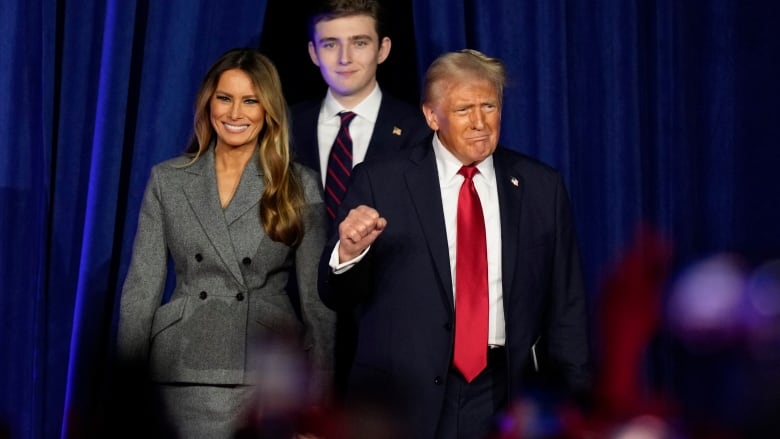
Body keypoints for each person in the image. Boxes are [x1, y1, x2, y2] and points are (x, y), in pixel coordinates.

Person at [319, 49, 591, 438]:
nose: (480, 122)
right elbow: (335, 296)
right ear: (432, 116)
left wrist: (576, 402)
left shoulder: (540, 186)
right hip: (403, 399)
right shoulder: (382, 181)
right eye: (464, 109)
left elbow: (568, 304)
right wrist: (348, 253)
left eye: (489, 106)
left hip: (505, 394)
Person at [117, 48, 335, 439]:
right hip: (181, 369)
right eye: (225, 98)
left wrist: (317, 401)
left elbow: (318, 304)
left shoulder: (298, 184)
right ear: (208, 102)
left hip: (267, 375)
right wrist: (125, 395)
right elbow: (141, 292)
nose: (235, 114)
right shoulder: (168, 179)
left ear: (268, 110)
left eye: (250, 101)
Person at [290, 0, 430, 399]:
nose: (346, 57)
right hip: (300, 337)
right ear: (313, 53)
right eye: (331, 44)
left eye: (360, 42)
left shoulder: (420, 130)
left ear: (383, 49)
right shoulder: (282, 127)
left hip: (388, 332)